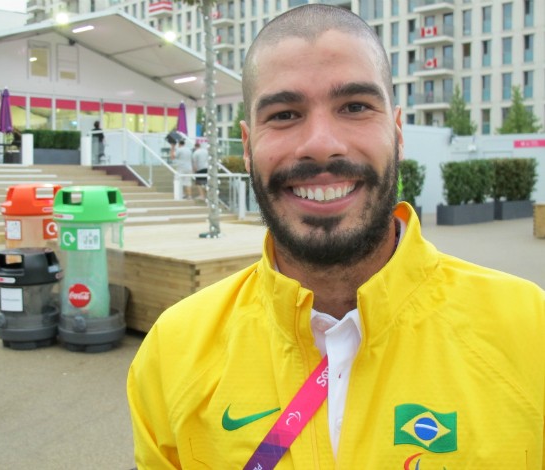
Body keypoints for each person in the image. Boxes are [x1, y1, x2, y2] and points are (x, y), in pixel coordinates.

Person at [127, 5, 545, 469]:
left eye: (355, 107)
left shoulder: (530, 332)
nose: (321, 143)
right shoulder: (173, 352)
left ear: (398, 132)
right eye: (285, 114)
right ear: (247, 148)